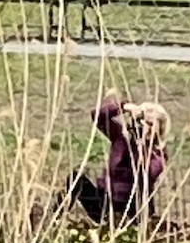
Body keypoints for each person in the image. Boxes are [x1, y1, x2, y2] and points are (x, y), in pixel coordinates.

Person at [61, 94, 169, 224]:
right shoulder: (121, 139)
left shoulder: (158, 152)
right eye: (143, 122)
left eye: (151, 124)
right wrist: (124, 107)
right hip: (106, 201)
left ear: (160, 128)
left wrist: (140, 145)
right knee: (75, 178)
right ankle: (55, 218)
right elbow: (98, 116)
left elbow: (148, 172)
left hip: (134, 208)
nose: (146, 127)